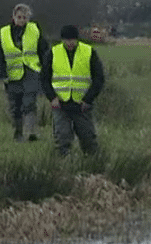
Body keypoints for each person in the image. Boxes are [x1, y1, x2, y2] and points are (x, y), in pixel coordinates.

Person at [40, 25, 105, 156]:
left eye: (72, 40)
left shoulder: (89, 52)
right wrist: (52, 98)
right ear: (62, 40)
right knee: (62, 136)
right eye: (66, 40)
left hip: (82, 104)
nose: (70, 43)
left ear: (77, 39)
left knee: (88, 137)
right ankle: (63, 164)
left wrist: (88, 99)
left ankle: (93, 162)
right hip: (60, 103)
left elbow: (99, 78)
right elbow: (44, 78)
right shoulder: (52, 53)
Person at [0, 3, 49, 142]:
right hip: (12, 75)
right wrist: (0, 73)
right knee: (15, 105)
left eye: (25, 18)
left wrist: (46, 69)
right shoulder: (4, 33)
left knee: (29, 102)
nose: (22, 20)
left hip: (31, 71)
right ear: (13, 17)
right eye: (19, 17)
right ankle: (18, 133)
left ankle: (31, 132)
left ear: (28, 18)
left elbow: (44, 51)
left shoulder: (35, 30)